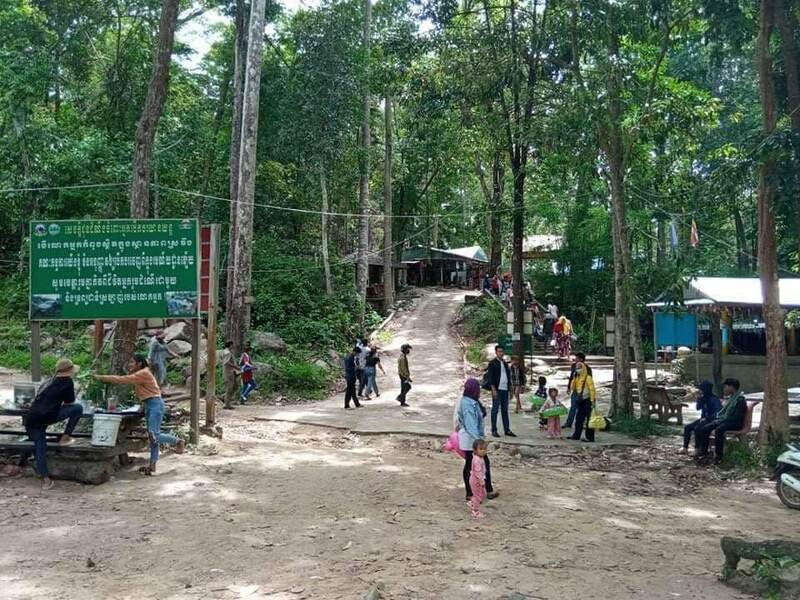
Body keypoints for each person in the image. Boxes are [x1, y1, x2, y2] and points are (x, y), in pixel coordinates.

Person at [95, 355, 184, 476]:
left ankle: (178, 441)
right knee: (153, 437)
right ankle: (152, 465)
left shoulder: (143, 373)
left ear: (140, 364)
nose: (130, 364)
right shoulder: (142, 373)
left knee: (154, 435)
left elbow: (122, 380)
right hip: (149, 405)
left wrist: (101, 378)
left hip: (155, 405)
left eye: (132, 362)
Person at [20, 359, 83, 490]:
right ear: (69, 371)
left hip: (31, 419)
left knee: (39, 445)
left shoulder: (48, 380)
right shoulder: (67, 382)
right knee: (78, 408)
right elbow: (69, 402)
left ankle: (46, 479)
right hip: (48, 417)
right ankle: (65, 437)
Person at [456, 378, 498, 502]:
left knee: (472, 464)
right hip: (471, 440)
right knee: (477, 464)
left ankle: (474, 491)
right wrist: (479, 441)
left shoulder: (471, 401)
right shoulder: (467, 404)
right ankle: (483, 491)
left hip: (471, 439)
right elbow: (470, 424)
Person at [694, 378, 747, 464]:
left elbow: (737, 417)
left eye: (726, 386)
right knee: (705, 428)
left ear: (731, 387)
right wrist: (720, 420)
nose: (725, 389)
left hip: (735, 423)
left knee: (719, 429)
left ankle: (718, 456)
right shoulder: (732, 399)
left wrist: (722, 421)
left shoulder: (740, 400)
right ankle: (704, 453)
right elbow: (724, 413)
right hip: (726, 420)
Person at [679, 381, 721, 454]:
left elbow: (718, 413)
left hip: (711, 420)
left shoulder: (714, 399)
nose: (700, 391)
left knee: (697, 428)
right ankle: (685, 447)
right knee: (687, 427)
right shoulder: (703, 398)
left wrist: (707, 418)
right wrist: (699, 399)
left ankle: (697, 449)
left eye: (701, 389)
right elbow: (698, 408)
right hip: (703, 419)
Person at [484, 345, 516, 437]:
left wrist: (511, 389)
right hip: (497, 389)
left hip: (505, 389)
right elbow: (491, 378)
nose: (501, 353)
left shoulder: (505, 363)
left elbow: (508, 376)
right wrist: (493, 389)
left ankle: (507, 429)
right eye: (499, 351)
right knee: (495, 409)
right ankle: (494, 430)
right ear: (496, 352)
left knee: (505, 410)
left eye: (502, 351)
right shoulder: (492, 363)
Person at [569, 361, 597, 442]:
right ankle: (576, 435)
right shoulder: (577, 377)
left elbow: (592, 390)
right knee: (579, 419)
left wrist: (592, 401)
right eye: (577, 368)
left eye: (579, 368)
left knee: (589, 419)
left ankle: (590, 437)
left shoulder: (588, 378)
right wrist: (574, 378)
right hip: (580, 400)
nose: (578, 369)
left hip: (588, 400)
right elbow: (573, 388)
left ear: (583, 368)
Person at [565, 353, 592, 428]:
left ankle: (584, 423)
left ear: (581, 359)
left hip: (583, 391)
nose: (575, 359)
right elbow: (571, 377)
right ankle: (568, 423)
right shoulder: (574, 366)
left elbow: (589, 381)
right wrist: (568, 387)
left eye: (577, 358)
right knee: (573, 407)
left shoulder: (587, 368)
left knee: (583, 408)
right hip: (575, 389)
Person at [468, 439, 489, 518]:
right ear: (475, 450)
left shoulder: (479, 458)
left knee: (482, 494)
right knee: (478, 497)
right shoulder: (477, 460)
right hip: (476, 480)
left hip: (477, 480)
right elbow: (478, 472)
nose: (483, 451)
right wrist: (481, 481)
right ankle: (475, 511)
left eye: (485, 449)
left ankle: (472, 502)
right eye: (481, 449)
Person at [220, 340, 240, 410]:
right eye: (232, 345)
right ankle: (227, 404)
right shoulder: (228, 353)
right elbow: (226, 362)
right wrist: (235, 366)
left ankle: (225, 398)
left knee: (234, 386)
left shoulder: (224, 351)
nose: (233, 346)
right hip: (229, 373)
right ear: (230, 345)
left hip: (230, 372)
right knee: (230, 388)